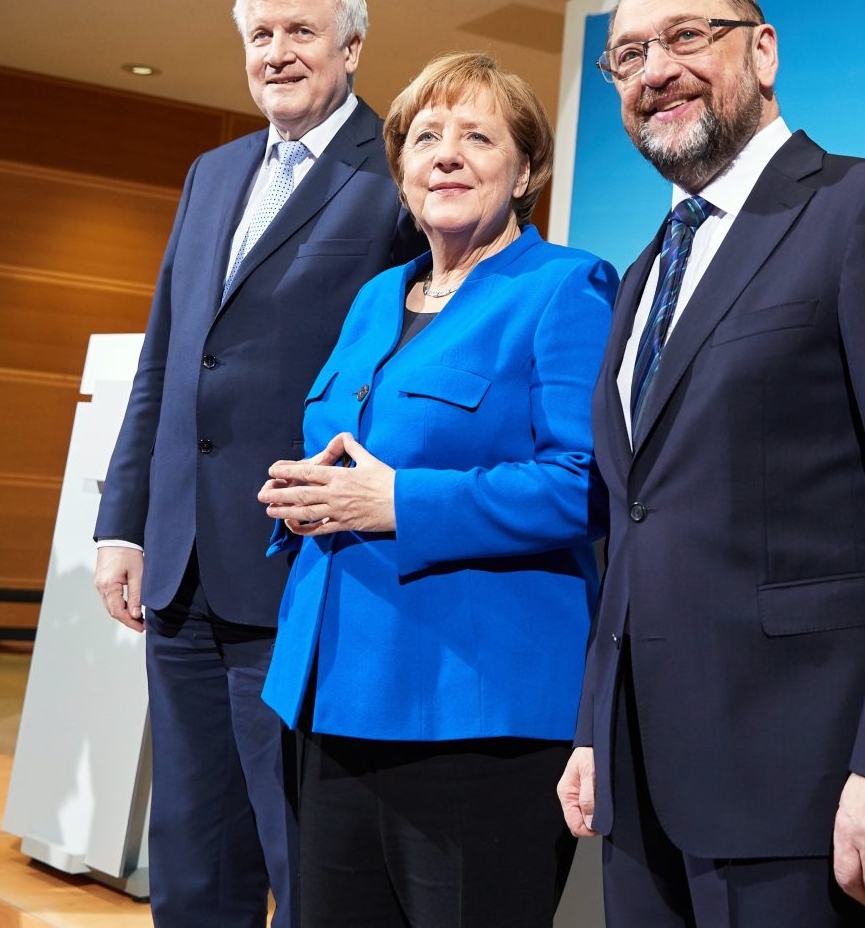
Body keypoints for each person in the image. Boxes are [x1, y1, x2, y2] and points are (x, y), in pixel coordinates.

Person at [556, 0, 865, 928]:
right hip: (645, 791)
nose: (656, 70)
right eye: (628, 55)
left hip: (808, 790)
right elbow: (633, 522)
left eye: (688, 37)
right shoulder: (642, 277)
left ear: (762, 52)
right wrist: (599, 725)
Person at [92, 0, 422, 927]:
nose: (278, 53)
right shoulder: (213, 173)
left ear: (352, 46)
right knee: (194, 853)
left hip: (305, 564)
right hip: (183, 570)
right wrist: (124, 522)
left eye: (302, 32)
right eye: (261, 36)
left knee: (305, 851)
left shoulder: (398, 172)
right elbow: (168, 358)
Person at [256, 50, 617, 928]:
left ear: (524, 169)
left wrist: (400, 503)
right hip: (325, 695)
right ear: (403, 171)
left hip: (473, 712)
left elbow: (587, 487)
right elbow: (346, 447)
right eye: (425, 138)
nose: (446, 155)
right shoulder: (379, 294)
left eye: (477, 137)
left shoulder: (567, 287)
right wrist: (306, 495)